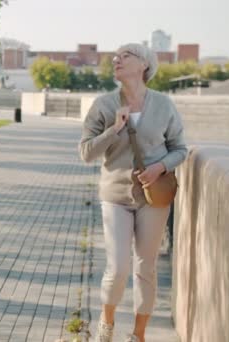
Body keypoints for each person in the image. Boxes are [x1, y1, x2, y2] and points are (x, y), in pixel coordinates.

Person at [79, 44, 187, 342]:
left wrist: (160, 167)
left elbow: (180, 149)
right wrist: (114, 129)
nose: (117, 60)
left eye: (125, 56)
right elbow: (86, 153)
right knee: (118, 267)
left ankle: (138, 334)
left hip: (153, 197)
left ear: (144, 65)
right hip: (115, 196)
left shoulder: (164, 105)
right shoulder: (103, 104)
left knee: (146, 268)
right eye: (116, 56)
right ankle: (107, 320)